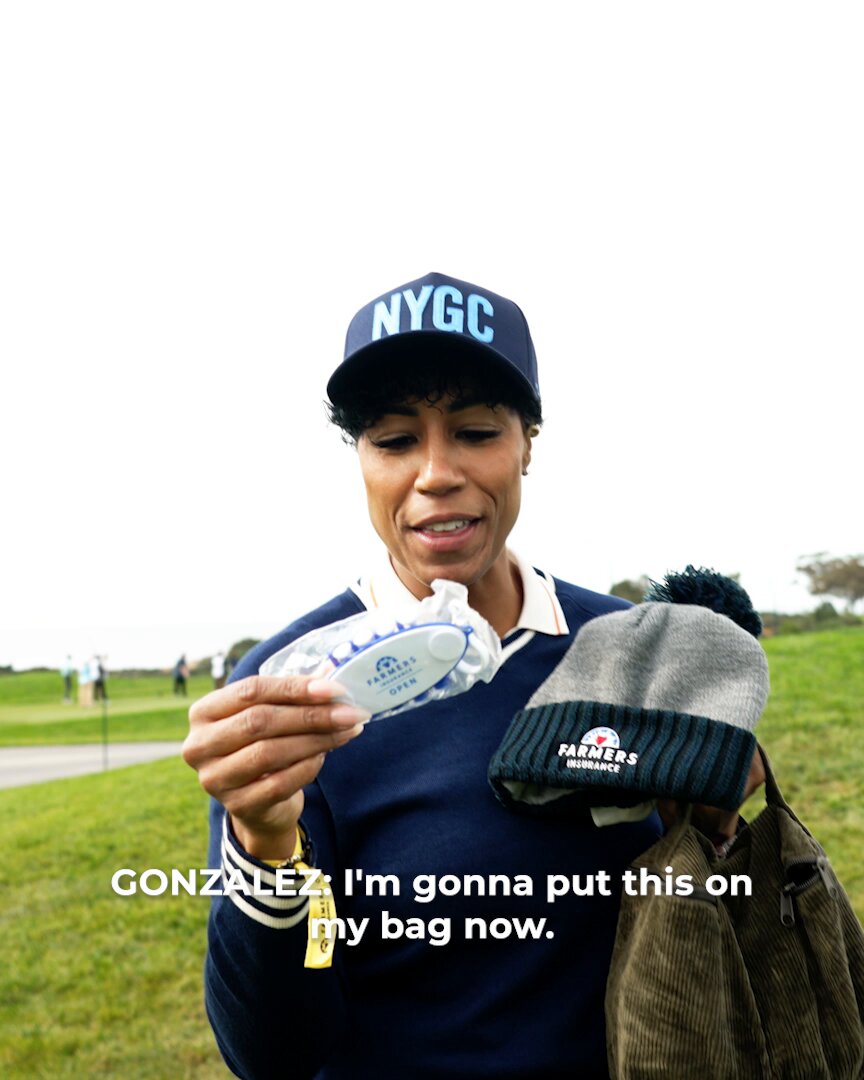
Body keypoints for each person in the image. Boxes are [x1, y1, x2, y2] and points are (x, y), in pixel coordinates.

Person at [183, 272, 760, 1079]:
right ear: (360, 459)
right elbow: (273, 1055)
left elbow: (710, 932)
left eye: (476, 431)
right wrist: (265, 844)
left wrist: (716, 830)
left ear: (528, 441)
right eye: (394, 440)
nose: (435, 472)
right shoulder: (293, 688)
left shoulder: (629, 647)